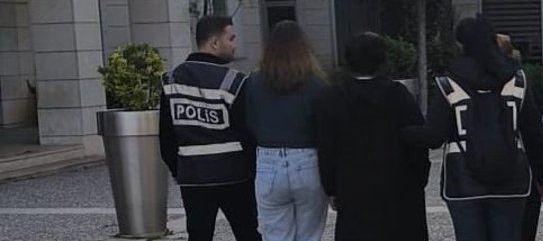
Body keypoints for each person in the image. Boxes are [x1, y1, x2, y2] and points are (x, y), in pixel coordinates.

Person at [405, 16, 543, 241]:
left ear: (461, 44)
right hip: (511, 181)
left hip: (463, 181)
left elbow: (434, 136)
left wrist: (402, 132)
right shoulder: (517, 80)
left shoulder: (449, 83)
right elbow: (534, 136)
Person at [315, 33, 429, 241]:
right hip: (398, 187)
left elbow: (326, 148)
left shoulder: (333, 98)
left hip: (352, 188)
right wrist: (420, 176)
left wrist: (331, 187)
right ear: (381, 60)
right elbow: (416, 142)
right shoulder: (399, 95)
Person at [159, 15, 262, 241]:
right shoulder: (235, 81)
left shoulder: (171, 79)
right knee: (247, 233)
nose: (235, 45)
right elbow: (248, 134)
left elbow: (166, 137)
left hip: (192, 176)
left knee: (199, 235)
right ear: (215, 43)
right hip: (233, 174)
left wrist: (179, 170)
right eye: (231, 38)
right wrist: (250, 171)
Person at [243, 21, 329, 241]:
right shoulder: (317, 85)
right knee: (310, 235)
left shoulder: (253, 83)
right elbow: (325, 129)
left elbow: (249, 123)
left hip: (268, 160)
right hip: (307, 160)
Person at [495, 34, 543, 241]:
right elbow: (535, 135)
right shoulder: (520, 82)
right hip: (520, 172)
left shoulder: (469, 81)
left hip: (479, 176)